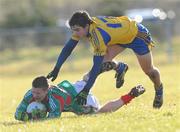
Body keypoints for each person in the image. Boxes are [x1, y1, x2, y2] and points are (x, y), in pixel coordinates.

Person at [47, 11, 163, 108]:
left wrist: (86, 90)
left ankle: (159, 90)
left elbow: (96, 66)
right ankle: (120, 67)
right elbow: (68, 47)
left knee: (149, 71)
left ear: (87, 26)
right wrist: (57, 68)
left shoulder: (98, 36)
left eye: (77, 30)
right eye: (73, 30)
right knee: (100, 66)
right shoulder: (85, 26)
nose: (75, 33)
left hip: (137, 35)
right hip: (120, 37)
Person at [15, 76, 145, 121]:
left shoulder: (54, 99)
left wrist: (35, 118)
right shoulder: (30, 94)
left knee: (99, 113)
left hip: (81, 99)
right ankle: (98, 69)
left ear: (46, 90)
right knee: (85, 79)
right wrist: (31, 117)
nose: (34, 96)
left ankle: (130, 95)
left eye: (38, 93)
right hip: (73, 87)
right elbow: (17, 114)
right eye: (33, 92)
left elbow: (52, 119)